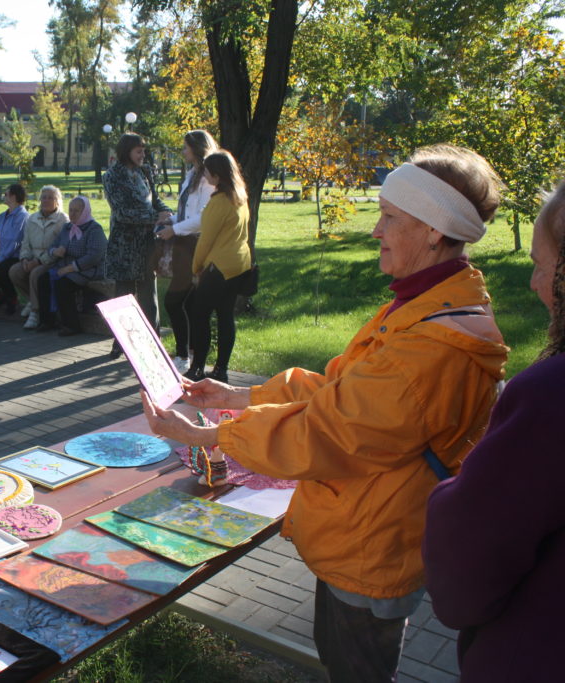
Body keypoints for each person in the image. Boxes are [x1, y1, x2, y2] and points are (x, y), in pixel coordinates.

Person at [141, 144, 509, 682]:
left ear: (434, 230)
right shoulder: (425, 306)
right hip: (364, 529)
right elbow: (343, 392)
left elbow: (327, 432)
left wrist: (210, 436)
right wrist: (238, 397)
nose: (376, 230)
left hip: (372, 545)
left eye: (390, 217)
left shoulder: (432, 343)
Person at [423, 181, 565, 683]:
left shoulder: (550, 396)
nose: (534, 283)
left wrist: (448, 492)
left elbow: (470, 560)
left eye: (544, 266)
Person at [183, 150, 253, 382]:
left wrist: (196, 267)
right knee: (225, 316)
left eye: (207, 172)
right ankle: (221, 370)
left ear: (217, 175)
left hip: (219, 267)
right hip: (239, 264)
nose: (205, 175)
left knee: (199, 314)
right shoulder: (240, 197)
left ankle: (197, 368)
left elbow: (206, 240)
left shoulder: (218, 202)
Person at [154, 130, 219, 373]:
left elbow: (204, 217)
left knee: (174, 301)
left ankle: (184, 355)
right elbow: (188, 211)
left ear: (197, 148)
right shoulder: (192, 173)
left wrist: (175, 228)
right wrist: (172, 220)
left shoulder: (208, 178)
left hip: (196, 245)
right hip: (184, 244)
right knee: (188, 303)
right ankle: (190, 354)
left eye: (185, 147)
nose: (182, 151)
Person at [102, 133, 172, 357]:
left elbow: (155, 200)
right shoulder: (112, 176)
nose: (143, 155)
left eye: (144, 151)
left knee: (148, 294)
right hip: (124, 244)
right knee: (123, 296)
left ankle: (153, 343)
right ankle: (121, 342)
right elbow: (122, 212)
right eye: (138, 151)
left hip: (146, 242)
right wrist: (155, 217)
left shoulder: (144, 171)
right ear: (127, 151)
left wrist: (167, 213)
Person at [34, 195, 108, 336]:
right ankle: (47, 320)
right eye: (71, 210)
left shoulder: (94, 229)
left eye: (76, 211)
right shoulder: (67, 227)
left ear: (85, 212)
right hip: (66, 268)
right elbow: (52, 246)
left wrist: (70, 268)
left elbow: (94, 256)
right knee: (43, 279)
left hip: (88, 270)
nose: (72, 214)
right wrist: (55, 251)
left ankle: (71, 325)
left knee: (63, 285)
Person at [10, 185, 69, 329]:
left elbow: (61, 247)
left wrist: (39, 261)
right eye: (44, 197)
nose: (46, 200)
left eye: (50, 198)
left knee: (35, 274)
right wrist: (25, 259)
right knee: (15, 271)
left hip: (52, 260)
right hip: (33, 258)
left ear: (57, 201)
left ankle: (35, 312)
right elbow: (25, 243)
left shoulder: (62, 220)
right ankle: (32, 300)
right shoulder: (32, 218)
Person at [0, 183, 29, 315]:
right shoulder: (2, 216)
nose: (4, 196)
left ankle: (11, 298)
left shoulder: (22, 217)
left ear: (13, 197)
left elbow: (15, 242)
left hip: (14, 256)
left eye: (6, 194)